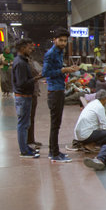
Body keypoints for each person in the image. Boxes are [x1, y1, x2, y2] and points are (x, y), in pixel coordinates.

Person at [42, 28, 79, 163]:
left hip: (59, 89)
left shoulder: (59, 52)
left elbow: (56, 69)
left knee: (57, 123)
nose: (63, 43)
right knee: (55, 124)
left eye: (65, 41)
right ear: (55, 40)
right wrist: (64, 69)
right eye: (61, 40)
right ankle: (53, 153)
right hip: (54, 91)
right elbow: (45, 72)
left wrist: (66, 69)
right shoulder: (51, 54)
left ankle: (55, 151)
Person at [12, 38, 40, 158]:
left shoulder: (23, 61)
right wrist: (36, 78)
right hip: (23, 97)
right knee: (23, 124)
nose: (31, 49)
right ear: (22, 48)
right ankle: (23, 151)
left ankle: (25, 146)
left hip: (26, 96)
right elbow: (22, 83)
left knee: (25, 123)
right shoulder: (20, 63)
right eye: (29, 47)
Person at [26, 40, 42, 149]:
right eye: (30, 47)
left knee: (31, 118)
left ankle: (31, 139)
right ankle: (27, 142)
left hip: (33, 92)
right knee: (27, 119)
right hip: (28, 93)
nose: (32, 49)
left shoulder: (29, 60)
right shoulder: (23, 61)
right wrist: (39, 76)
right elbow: (32, 74)